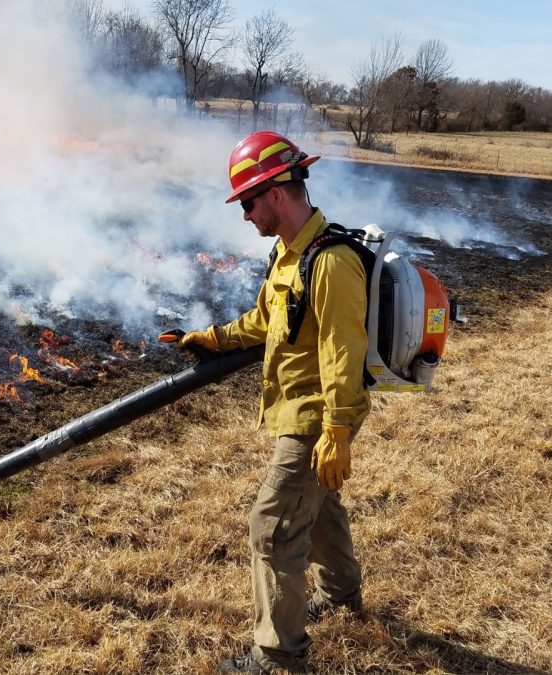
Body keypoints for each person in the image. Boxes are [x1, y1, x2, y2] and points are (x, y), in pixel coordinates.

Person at [179, 130, 371, 673]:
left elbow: (342, 353)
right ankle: (341, 594)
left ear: (278, 192)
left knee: (273, 524)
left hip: (317, 416)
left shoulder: (330, 261)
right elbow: (267, 321)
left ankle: (278, 657)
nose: (244, 215)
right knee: (319, 504)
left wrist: (336, 432)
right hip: (298, 410)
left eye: (247, 202)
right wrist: (213, 338)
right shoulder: (289, 257)